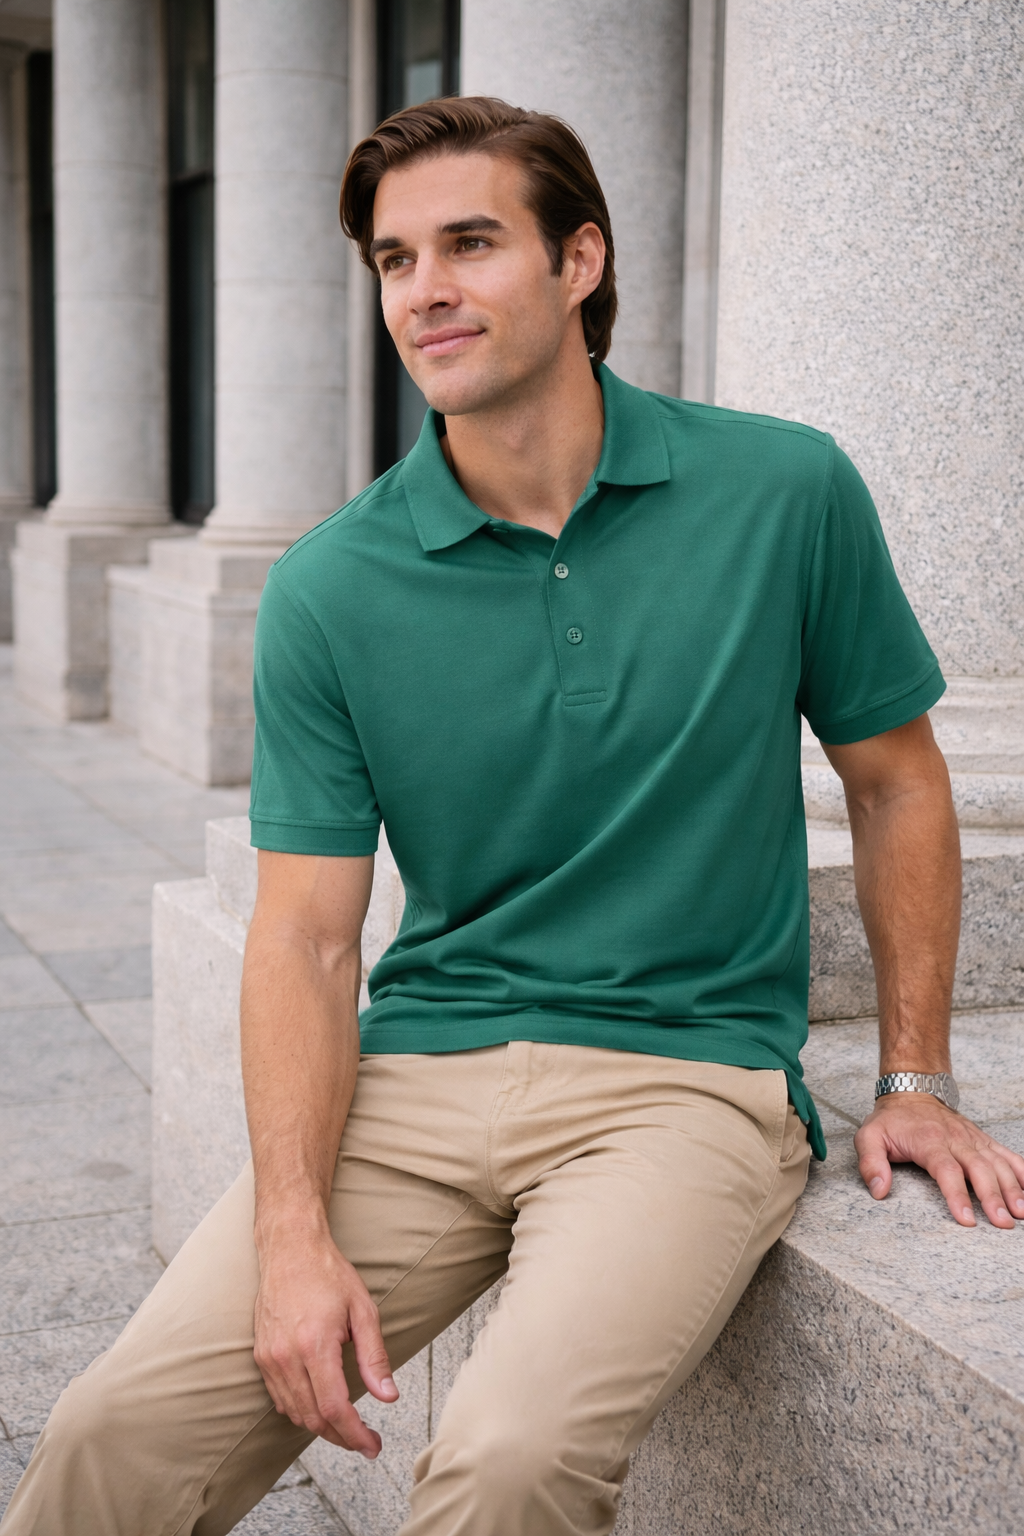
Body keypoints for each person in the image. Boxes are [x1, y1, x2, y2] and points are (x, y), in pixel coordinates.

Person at [5, 95, 1024, 1536]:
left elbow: (899, 776)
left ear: (581, 262)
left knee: (505, 1464)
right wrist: (291, 1235)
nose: (425, 288)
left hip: (684, 1085)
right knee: (112, 1435)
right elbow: (301, 940)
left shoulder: (782, 489)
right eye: (394, 259)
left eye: (471, 243)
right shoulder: (329, 587)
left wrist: (914, 1079)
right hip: (419, 1077)